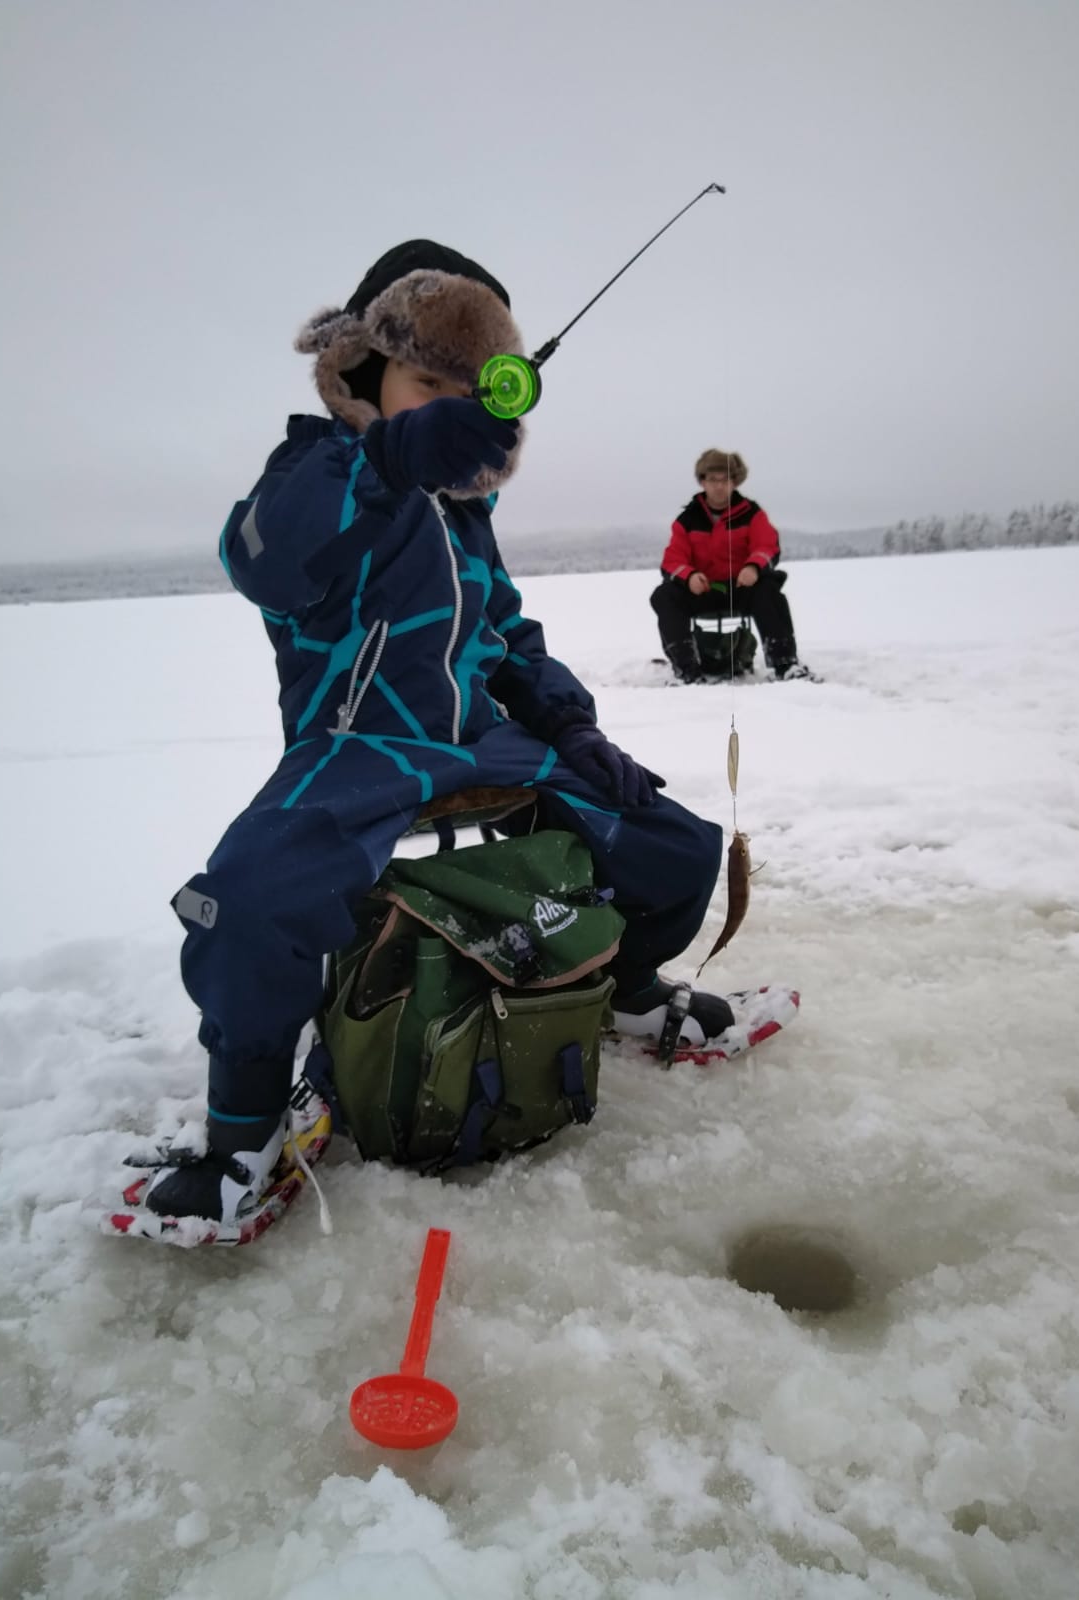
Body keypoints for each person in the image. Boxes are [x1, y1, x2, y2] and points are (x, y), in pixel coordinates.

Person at [146, 241, 742, 1225]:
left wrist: (570, 725)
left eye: (464, 391)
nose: (442, 408)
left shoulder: (468, 516)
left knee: (672, 841)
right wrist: (383, 462)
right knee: (247, 902)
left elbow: (504, 633)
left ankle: (627, 987)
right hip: (358, 746)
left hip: (480, 737)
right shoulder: (317, 468)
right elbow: (264, 560)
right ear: (364, 367)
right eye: (426, 380)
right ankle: (243, 1130)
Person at [651, 450, 813, 683]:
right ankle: (687, 671)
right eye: (713, 480)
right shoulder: (686, 520)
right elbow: (672, 560)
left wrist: (754, 568)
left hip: (742, 588)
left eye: (725, 479)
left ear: (734, 482)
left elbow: (767, 545)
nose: (719, 486)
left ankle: (786, 664)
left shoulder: (752, 513)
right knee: (664, 595)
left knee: (769, 589)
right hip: (703, 591)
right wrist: (689, 576)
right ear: (702, 481)